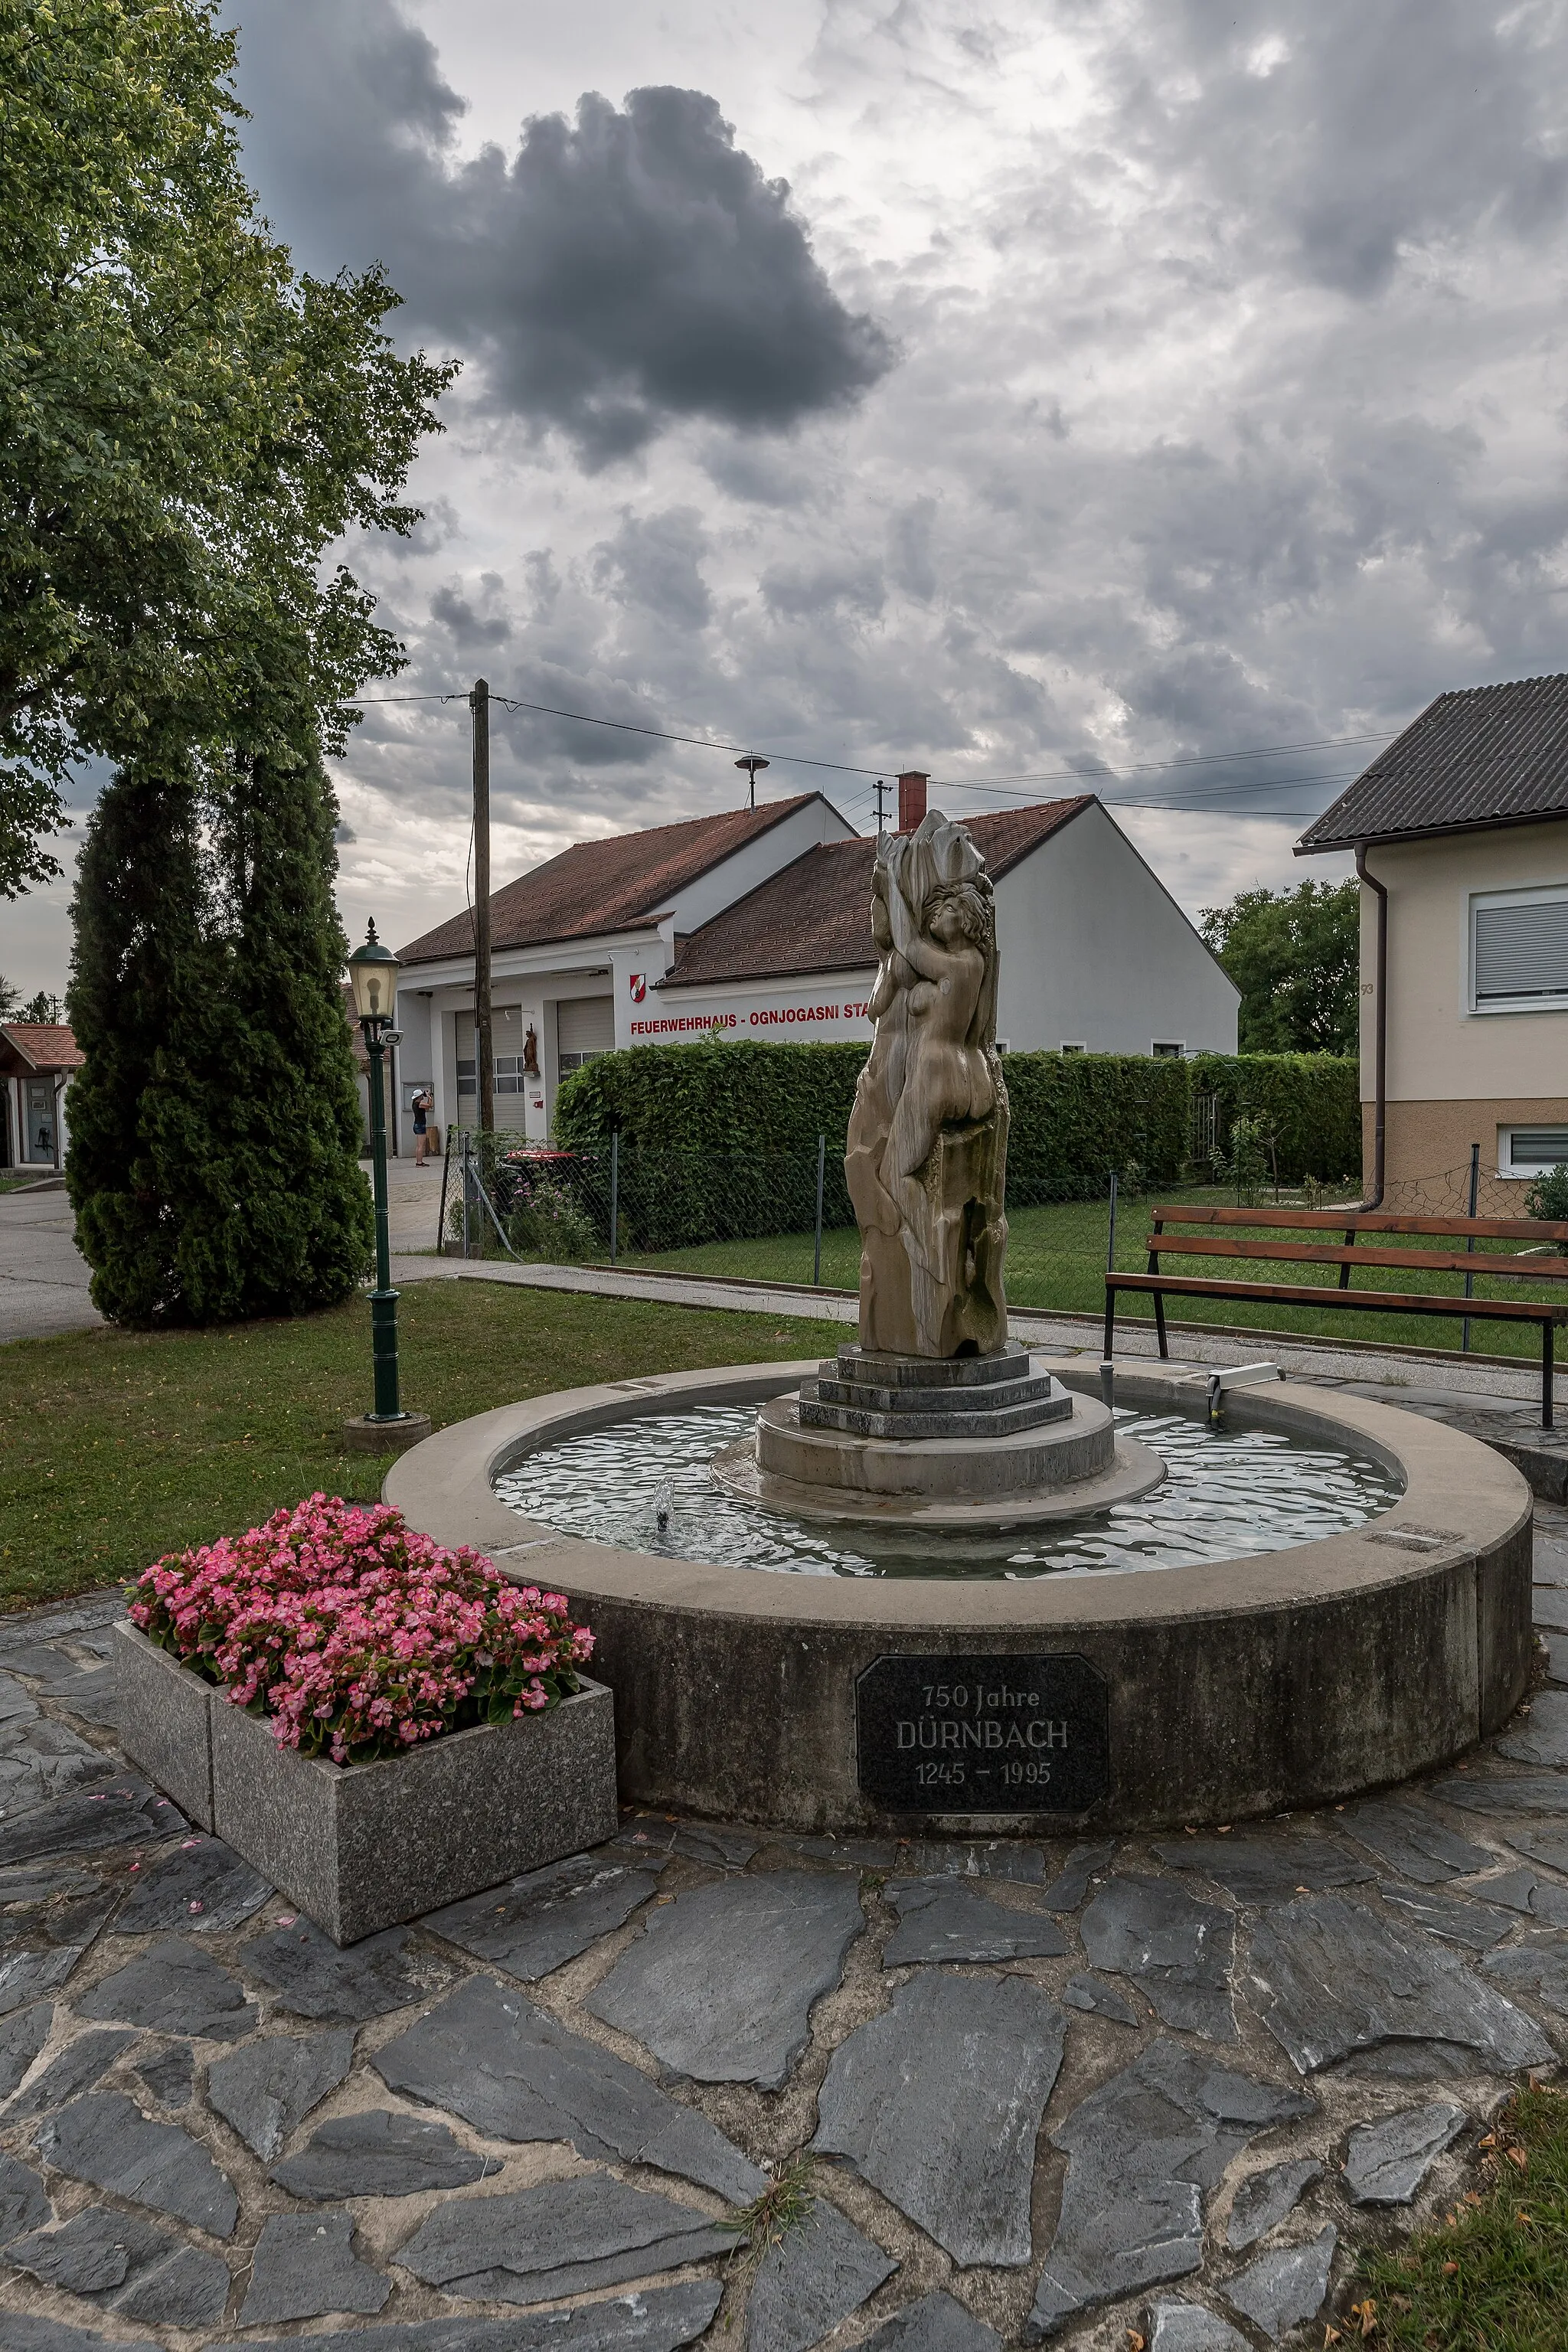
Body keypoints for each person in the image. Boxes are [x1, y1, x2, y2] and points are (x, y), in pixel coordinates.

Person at [411, 1086, 434, 1168]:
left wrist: (428, 1097)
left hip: (417, 1125)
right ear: (419, 1096)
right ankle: (419, 1162)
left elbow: (427, 1108)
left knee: (419, 1145)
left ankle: (419, 1161)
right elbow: (430, 1106)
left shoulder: (415, 1104)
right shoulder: (419, 1104)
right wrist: (429, 1097)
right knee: (421, 1145)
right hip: (420, 1126)